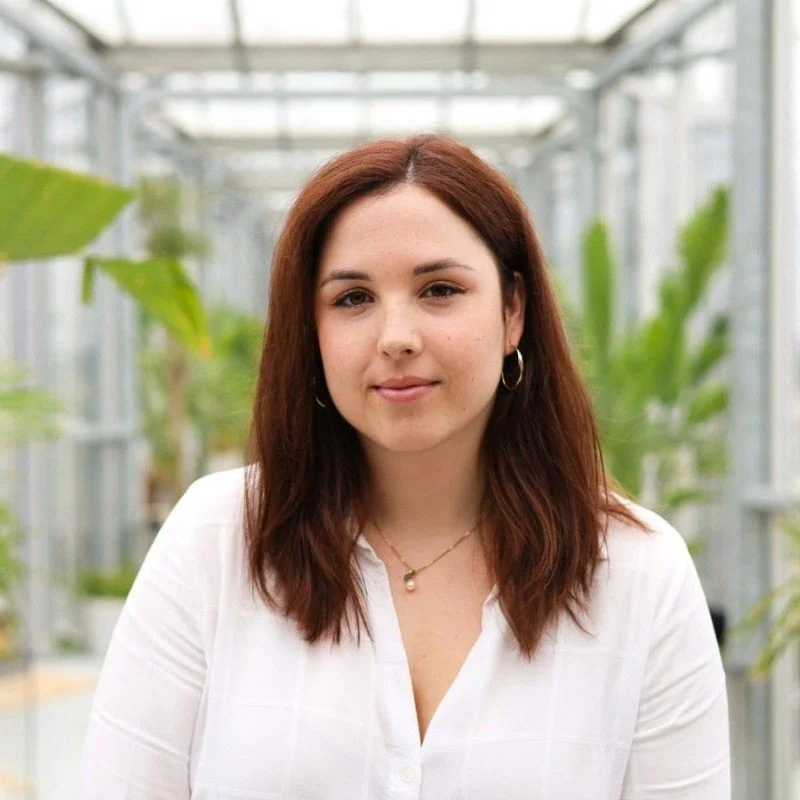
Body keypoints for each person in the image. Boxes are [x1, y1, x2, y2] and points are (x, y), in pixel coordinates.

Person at [78, 134, 730, 798]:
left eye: (439, 289)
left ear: (513, 311)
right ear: (313, 329)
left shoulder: (638, 574)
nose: (396, 338)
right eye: (352, 299)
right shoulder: (217, 540)